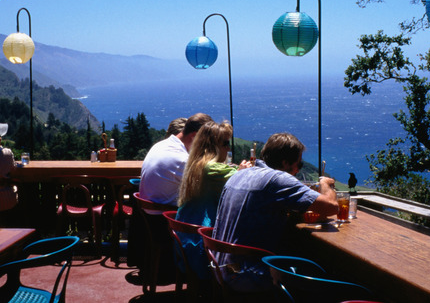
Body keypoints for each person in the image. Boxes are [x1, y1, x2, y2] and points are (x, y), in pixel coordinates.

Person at [211, 132, 338, 293]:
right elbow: (331, 206)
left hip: (221, 266)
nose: (298, 171)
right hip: (245, 273)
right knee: (321, 280)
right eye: (298, 165)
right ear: (285, 163)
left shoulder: (239, 174)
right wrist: (326, 184)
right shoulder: (277, 179)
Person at [176, 121, 250, 280]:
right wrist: (244, 171)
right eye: (225, 143)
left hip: (190, 241)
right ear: (212, 146)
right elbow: (244, 182)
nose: (229, 148)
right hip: (205, 249)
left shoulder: (197, 164)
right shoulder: (212, 169)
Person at [139, 113, 214, 207]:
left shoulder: (160, 145)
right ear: (194, 136)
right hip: (164, 216)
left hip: (148, 211)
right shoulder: (182, 160)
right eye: (205, 143)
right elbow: (210, 186)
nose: (205, 148)